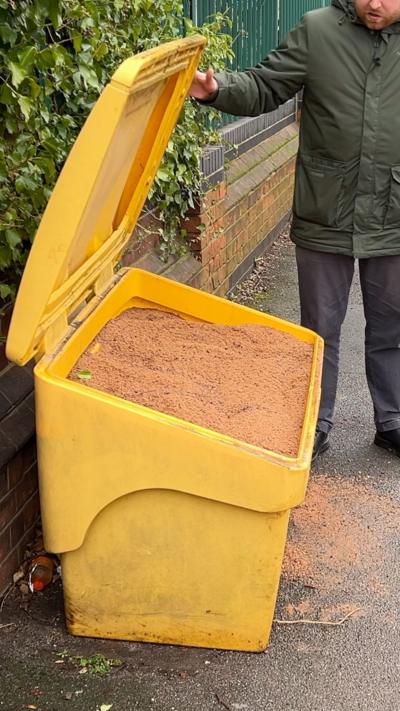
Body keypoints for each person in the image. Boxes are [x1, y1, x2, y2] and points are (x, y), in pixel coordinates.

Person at [189, 0, 400, 462]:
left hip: (395, 216)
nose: (376, 4)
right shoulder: (318, 30)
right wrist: (216, 88)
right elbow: (266, 85)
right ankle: (314, 423)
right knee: (319, 329)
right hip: (326, 207)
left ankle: (393, 421)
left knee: (392, 326)